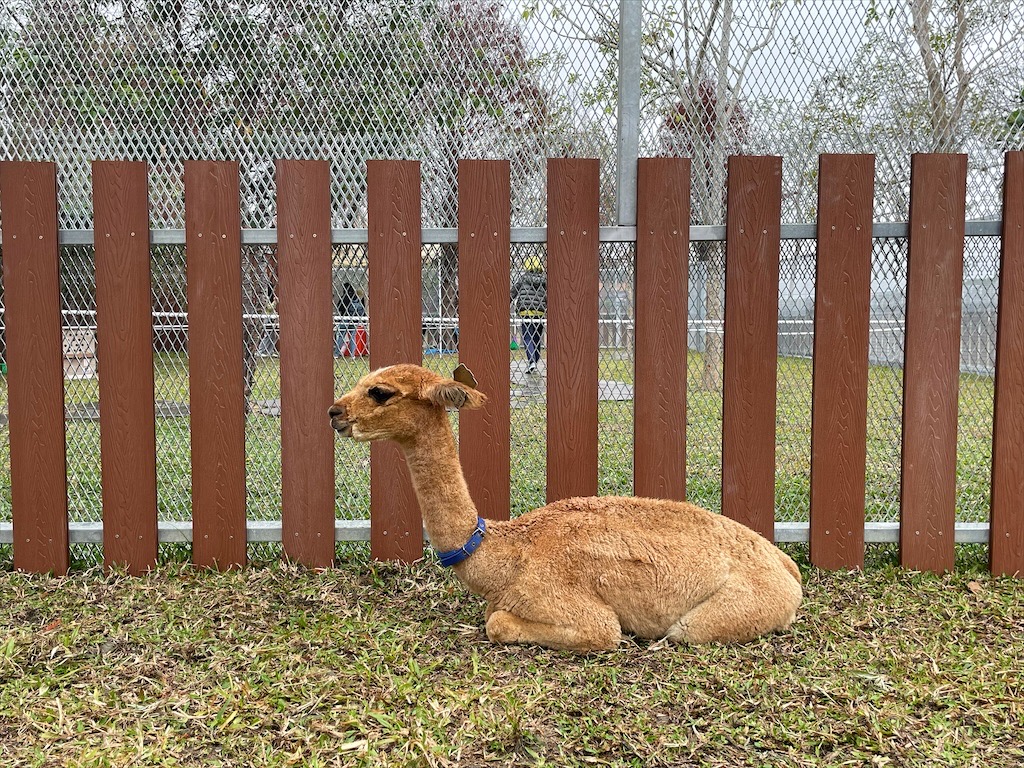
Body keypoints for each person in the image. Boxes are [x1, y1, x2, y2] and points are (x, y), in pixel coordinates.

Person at [511, 255, 546, 374]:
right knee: (537, 337)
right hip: (539, 311)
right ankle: (535, 361)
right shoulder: (544, 280)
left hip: (525, 310)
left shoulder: (524, 278)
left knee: (527, 336)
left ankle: (531, 361)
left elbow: (513, 291)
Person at [335, 282, 366, 357]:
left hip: (345, 318)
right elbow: (363, 308)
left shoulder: (344, 297)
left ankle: (336, 353)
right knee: (352, 337)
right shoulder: (356, 298)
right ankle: (352, 355)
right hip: (354, 319)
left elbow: (339, 307)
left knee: (341, 336)